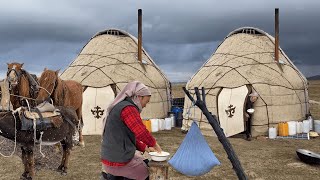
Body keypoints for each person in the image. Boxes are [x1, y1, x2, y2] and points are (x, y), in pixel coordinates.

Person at [101, 81, 162, 180]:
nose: (145, 105)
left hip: (110, 158)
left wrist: (145, 147)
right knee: (147, 173)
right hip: (117, 161)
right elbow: (141, 132)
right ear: (139, 97)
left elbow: (126, 136)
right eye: (146, 101)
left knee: (144, 162)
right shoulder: (128, 108)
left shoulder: (121, 106)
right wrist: (155, 145)